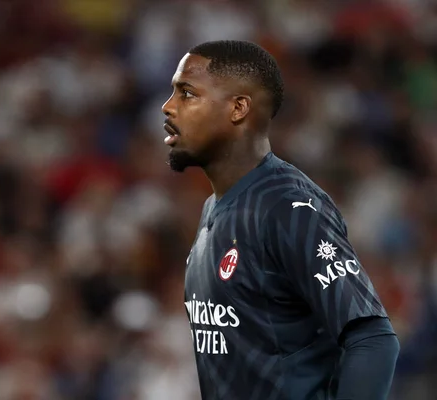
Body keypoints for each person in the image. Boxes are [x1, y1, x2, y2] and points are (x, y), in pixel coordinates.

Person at [161, 40, 399, 400]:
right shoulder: (214, 208)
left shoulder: (289, 206)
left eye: (187, 93)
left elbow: (373, 340)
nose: (168, 107)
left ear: (238, 108)